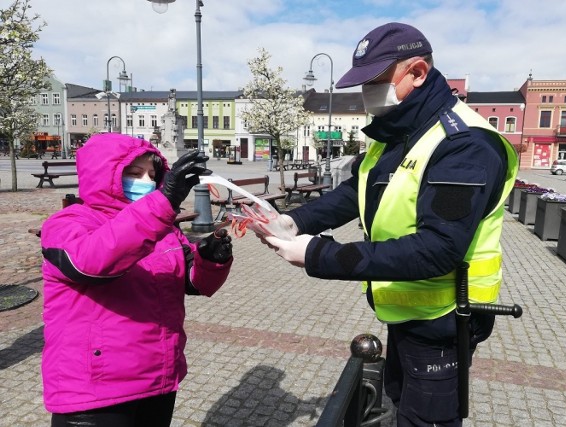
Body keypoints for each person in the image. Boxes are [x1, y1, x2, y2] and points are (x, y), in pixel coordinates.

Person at [260, 22, 518, 426]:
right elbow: (355, 192)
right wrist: (292, 220)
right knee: (398, 402)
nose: (366, 95)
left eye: (376, 82)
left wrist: (318, 254)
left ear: (417, 72)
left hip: (442, 323)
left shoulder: (463, 145)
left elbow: (437, 249)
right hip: (403, 310)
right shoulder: (398, 133)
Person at [40, 133, 233, 427]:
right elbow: (91, 264)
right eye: (133, 173)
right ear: (104, 175)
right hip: (96, 392)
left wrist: (210, 261)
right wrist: (162, 203)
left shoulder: (161, 228)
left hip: (158, 380)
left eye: (151, 174)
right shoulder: (69, 223)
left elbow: (192, 282)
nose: (145, 180)